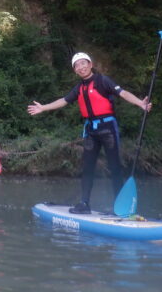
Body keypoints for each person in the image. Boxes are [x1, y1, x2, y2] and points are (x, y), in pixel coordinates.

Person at [27, 52, 151, 214]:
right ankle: (84, 204)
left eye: (83, 63)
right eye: (77, 65)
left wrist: (140, 103)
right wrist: (43, 107)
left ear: (90, 64)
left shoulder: (103, 81)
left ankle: (120, 206)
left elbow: (123, 93)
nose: (81, 67)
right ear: (75, 70)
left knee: (114, 167)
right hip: (91, 131)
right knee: (88, 168)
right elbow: (63, 101)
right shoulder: (79, 88)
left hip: (108, 129)